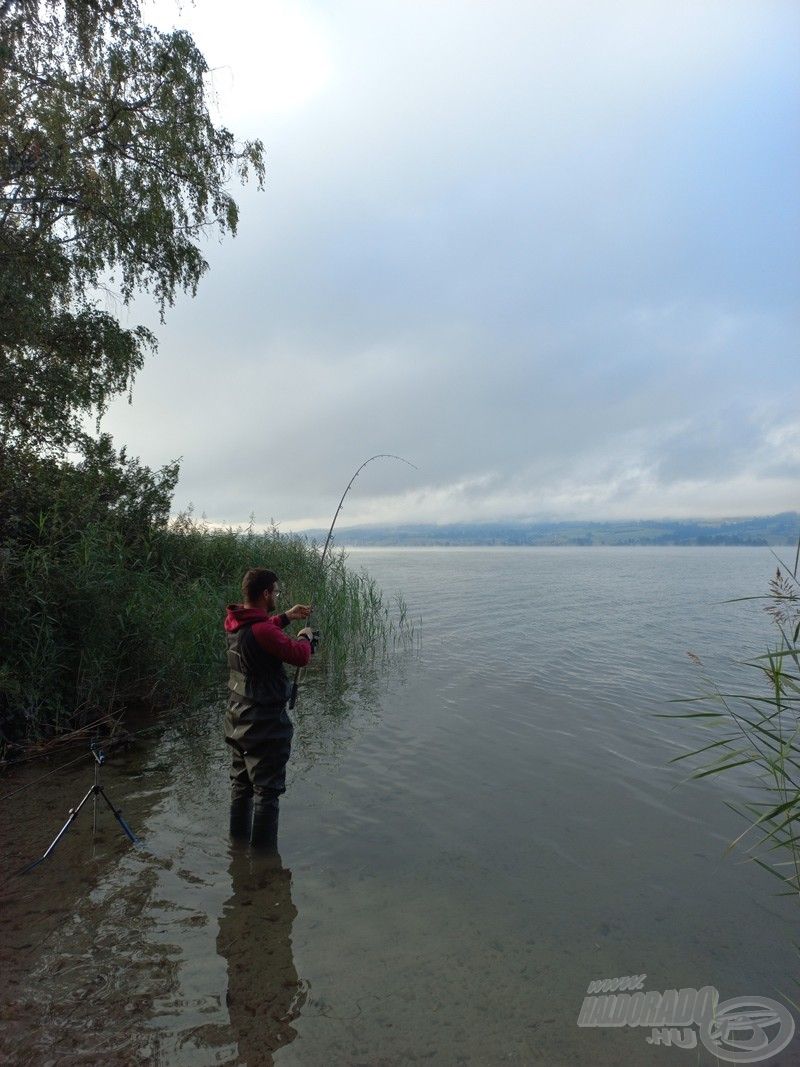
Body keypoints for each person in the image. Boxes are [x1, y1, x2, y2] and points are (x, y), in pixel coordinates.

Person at [223, 567, 317, 848]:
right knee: (267, 792)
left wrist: (286, 616)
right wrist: (306, 638)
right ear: (265, 594)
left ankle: (237, 851)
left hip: (237, 719)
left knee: (241, 787)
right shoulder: (263, 630)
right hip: (264, 725)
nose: (276, 595)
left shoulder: (235, 622)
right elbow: (300, 656)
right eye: (275, 592)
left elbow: (261, 630)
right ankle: (264, 866)